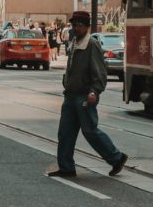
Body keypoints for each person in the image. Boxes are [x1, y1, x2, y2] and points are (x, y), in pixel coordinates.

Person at [47, 10, 128, 179]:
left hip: (84, 96)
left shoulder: (91, 44)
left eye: (79, 25)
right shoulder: (74, 42)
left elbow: (100, 72)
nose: (75, 28)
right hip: (70, 95)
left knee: (90, 131)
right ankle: (66, 167)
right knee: (65, 133)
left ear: (87, 27)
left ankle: (117, 158)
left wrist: (94, 91)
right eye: (74, 25)